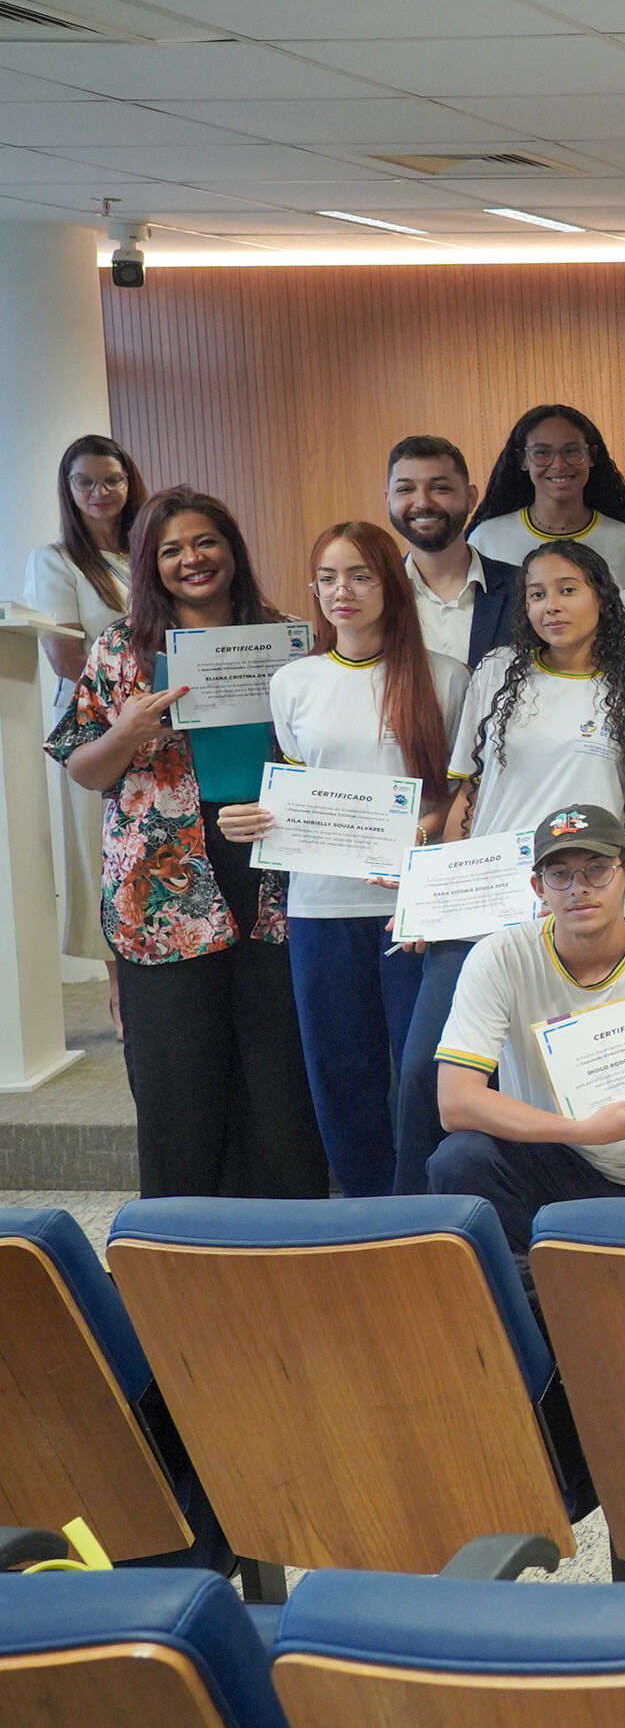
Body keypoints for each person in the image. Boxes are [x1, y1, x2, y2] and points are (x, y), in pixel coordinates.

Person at [46, 488, 326, 1200]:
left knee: (276, 1072)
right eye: (171, 549)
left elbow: (320, 754)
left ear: (232, 548)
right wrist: (128, 731)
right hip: (161, 886)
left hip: (271, 873)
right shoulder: (121, 647)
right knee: (179, 1074)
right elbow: (84, 767)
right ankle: (180, 1238)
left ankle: (287, 1232)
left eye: (205, 541)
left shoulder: (287, 637)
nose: (192, 559)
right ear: (150, 563)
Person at [394, 537, 625, 1193]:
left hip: (593, 909)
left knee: (581, 1083)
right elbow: (466, 796)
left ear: (601, 598)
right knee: (425, 1072)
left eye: (567, 589)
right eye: (535, 593)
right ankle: (419, 1231)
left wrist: (623, 874)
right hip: (488, 909)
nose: (550, 605)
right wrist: (431, 896)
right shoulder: (497, 672)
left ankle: (584, 1228)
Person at [215, 522, 467, 1198]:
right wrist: (254, 820)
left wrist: (427, 827)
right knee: (338, 1067)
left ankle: (424, 1209)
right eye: (326, 578)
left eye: (359, 575)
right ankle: (363, 1207)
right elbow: (296, 790)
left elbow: (463, 793)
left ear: (392, 584)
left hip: (413, 910)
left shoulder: (446, 678)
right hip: (322, 905)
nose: (341, 592)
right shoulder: (294, 681)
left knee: (420, 1071)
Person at [427, 805, 625, 1271]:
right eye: (560, 874)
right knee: (458, 1159)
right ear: (538, 889)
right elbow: (456, 1103)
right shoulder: (498, 957)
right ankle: (525, 1293)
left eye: (598, 870)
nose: (579, 888)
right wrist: (582, 1130)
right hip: (553, 1158)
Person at [26, 434, 142, 970]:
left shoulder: (149, 547)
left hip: (161, 720)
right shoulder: (55, 560)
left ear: (128, 482)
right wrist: (125, 719)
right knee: (102, 850)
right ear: (68, 489)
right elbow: (66, 657)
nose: (100, 491)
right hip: (96, 726)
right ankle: (117, 983)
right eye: (86, 481)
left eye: (112, 479)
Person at [464, 404, 625, 589]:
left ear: (591, 456)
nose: (558, 464)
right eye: (542, 452)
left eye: (571, 451)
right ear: (522, 460)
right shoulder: (487, 539)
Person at [386, 435, 519, 667]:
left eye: (440, 488)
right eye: (405, 489)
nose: (422, 502)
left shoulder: (524, 589)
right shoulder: (375, 592)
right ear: (388, 500)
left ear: (471, 498)